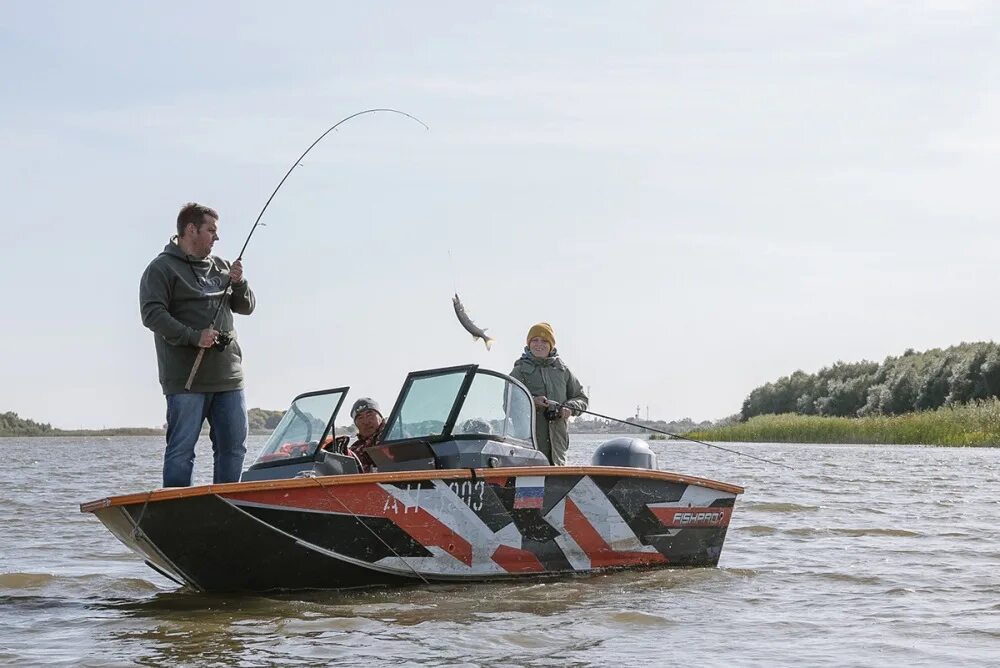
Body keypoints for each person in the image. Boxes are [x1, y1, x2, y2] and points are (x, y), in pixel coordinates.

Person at [139, 202, 256, 487]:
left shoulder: (223, 266)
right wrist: (194, 336)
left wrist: (239, 283)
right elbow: (152, 314)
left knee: (233, 448)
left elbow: (247, 306)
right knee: (181, 451)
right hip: (185, 381)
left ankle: (227, 507)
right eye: (211, 230)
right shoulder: (161, 269)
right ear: (191, 229)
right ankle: (177, 515)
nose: (216, 237)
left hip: (229, 378)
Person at [510, 322, 588, 466]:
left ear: (551, 345)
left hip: (558, 450)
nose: (539, 344)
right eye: (535, 340)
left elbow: (582, 399)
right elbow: (509, 405)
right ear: (529, 343)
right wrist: (532, 402)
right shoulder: (518, 371)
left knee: (556, 485)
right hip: (529, 451)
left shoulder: (563, 371)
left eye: (545, 341)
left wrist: (569, 408)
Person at [348, 397, 385, 472]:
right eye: (360, 418)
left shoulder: (393, 435)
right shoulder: (353, 451)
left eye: (369, 415)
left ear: (380, 416)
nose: (366, 421)